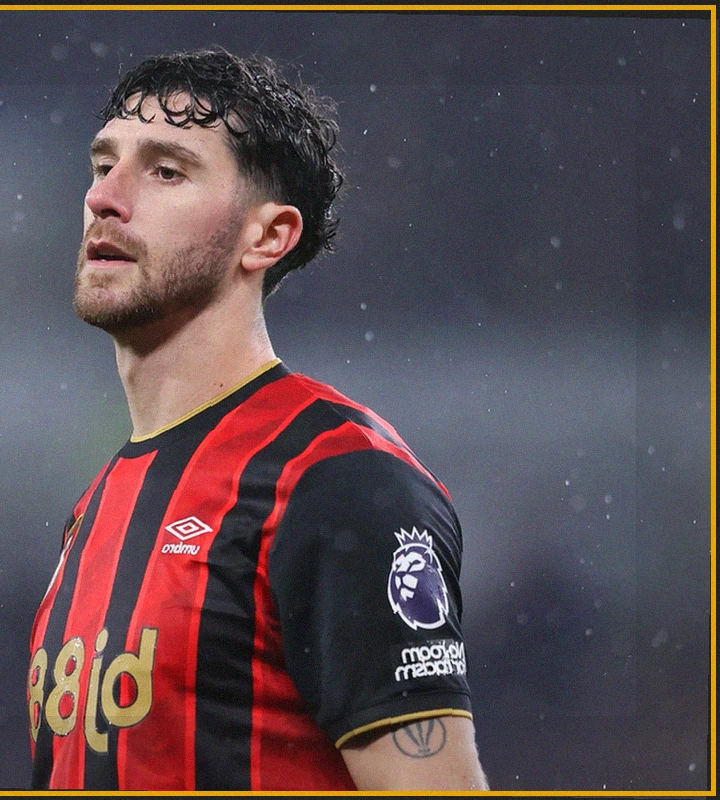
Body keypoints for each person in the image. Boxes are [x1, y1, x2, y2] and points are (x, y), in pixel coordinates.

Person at [27, 48, 489, 791]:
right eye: (103, 165)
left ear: (267, 237)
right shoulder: (95, 507)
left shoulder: (338, 478)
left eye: (165, 171)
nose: (105, 198)